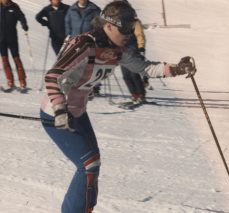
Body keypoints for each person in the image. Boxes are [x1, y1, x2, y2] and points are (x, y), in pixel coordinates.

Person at [40, 2, 196, 212]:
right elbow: (52, 76)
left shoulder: (117, 50)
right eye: (125, 30)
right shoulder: (85, 43)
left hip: (77, 112)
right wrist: (59, 109)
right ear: (109, 26)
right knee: (88, 165)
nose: (129, 34)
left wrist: (177, 68)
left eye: (132, 28)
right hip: (56, 114)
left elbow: (146, 68)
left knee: (93, 166)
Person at [65, 0, 101, 96]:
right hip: (76, 41)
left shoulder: (95, 9)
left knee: (90, 64)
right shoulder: (72, 9)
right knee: (76, 64)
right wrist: (68, 35)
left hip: (89, 40)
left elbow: (99, 25)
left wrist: (95, 35)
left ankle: (94, 86)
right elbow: (67, 22)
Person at [0, 0, 28, 90]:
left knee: (16, 58)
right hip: (1, 39)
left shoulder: (14, 6)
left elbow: (21, 16)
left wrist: (24, 23)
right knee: (5, 60)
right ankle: (10, 81)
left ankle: (22, 80)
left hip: (12, 37)